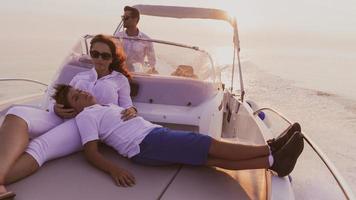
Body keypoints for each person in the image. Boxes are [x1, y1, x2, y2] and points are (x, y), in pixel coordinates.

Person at [52, 84, 304, 187]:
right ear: (72, 108)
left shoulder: (103, 106)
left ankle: (272, 162)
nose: (82, 93)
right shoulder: (85, 117)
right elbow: (91, 151)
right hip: (146, 143)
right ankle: (270, 149)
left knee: (208, 159)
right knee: (207, 145)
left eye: (79, 90)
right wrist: (114, 170)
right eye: (76, 97)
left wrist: (130, 110)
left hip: (152, 137)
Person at [0, 34, 137, 198]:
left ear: (112, 58)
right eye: (95, 54)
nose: (99, 59)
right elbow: (56, 101)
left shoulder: (119, 80)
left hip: (87, 124)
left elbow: (127, 106)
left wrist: (132, 111)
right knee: (16, 113)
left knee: (39, 146)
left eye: (105, 55)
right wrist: (56, 108)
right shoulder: (80, 76)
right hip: (63, 116)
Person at [114, 6, 157, 73]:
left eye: (126, 18)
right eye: (123, 17)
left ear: (135, 19)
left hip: (137, 75)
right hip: (119, 73)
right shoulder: (117, 37)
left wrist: (149, 71)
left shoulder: (147, 40)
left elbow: (152, 62)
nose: (123, 20)